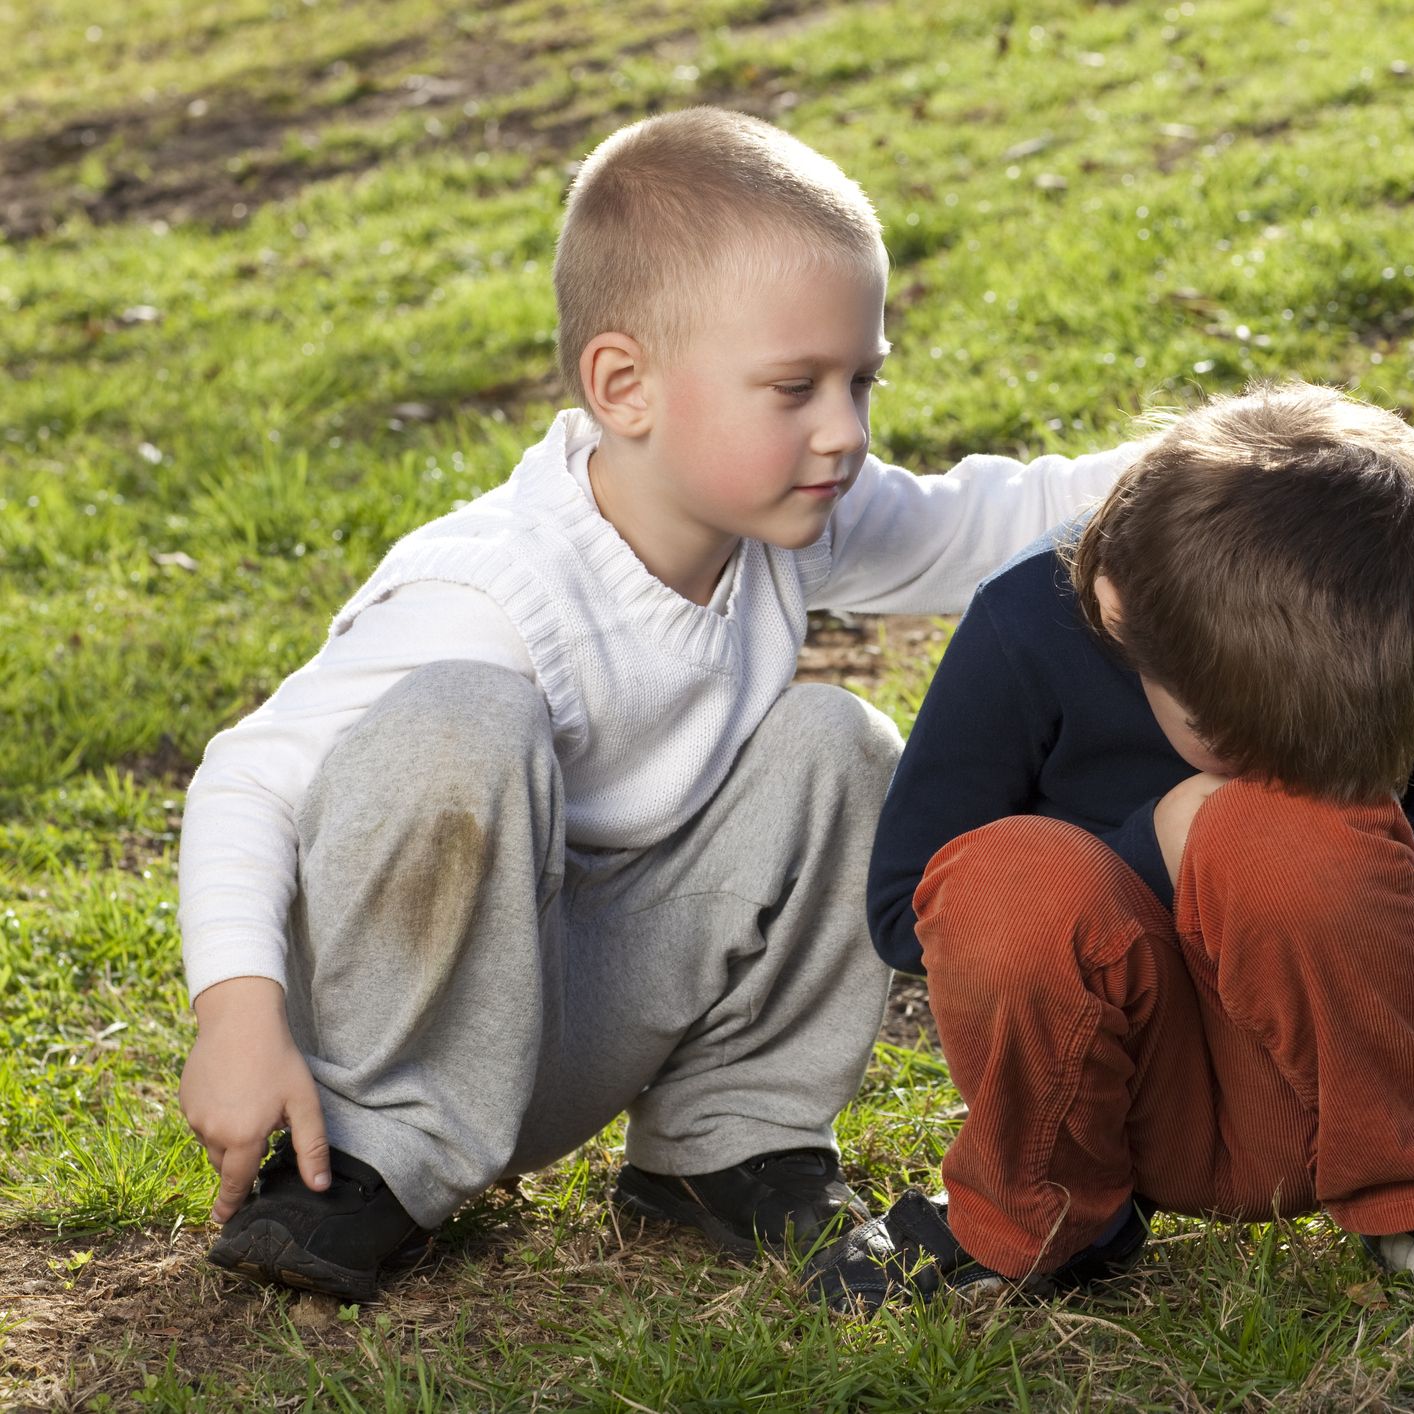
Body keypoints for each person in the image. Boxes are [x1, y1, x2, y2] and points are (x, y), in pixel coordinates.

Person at [175, 106, 1133, 1303]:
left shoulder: (783, 515)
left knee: (840, 741)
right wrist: (237, 1017)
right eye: (795, 387)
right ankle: (371, 1162)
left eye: (860, 381)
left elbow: (982, 524)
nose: (843, 430)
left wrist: (1221, 456)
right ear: (623, 386)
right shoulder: (489, 587)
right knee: (462, 718)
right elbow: (246, 780)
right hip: (396, 1038)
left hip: (576, 1019)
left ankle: (727, 1139)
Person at [814, 381, 1414, 1325]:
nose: (1267, 770)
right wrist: (1157, 848)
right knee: (1010, 869)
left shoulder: (1400, 614)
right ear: (1116, 611)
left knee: (1270, 833)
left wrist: (1353, 856)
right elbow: (907, 905)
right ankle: (1042, 1214)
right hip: (1099, 1103)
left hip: (1325, 1098)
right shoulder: (1023, 623)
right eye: (1235, 742)